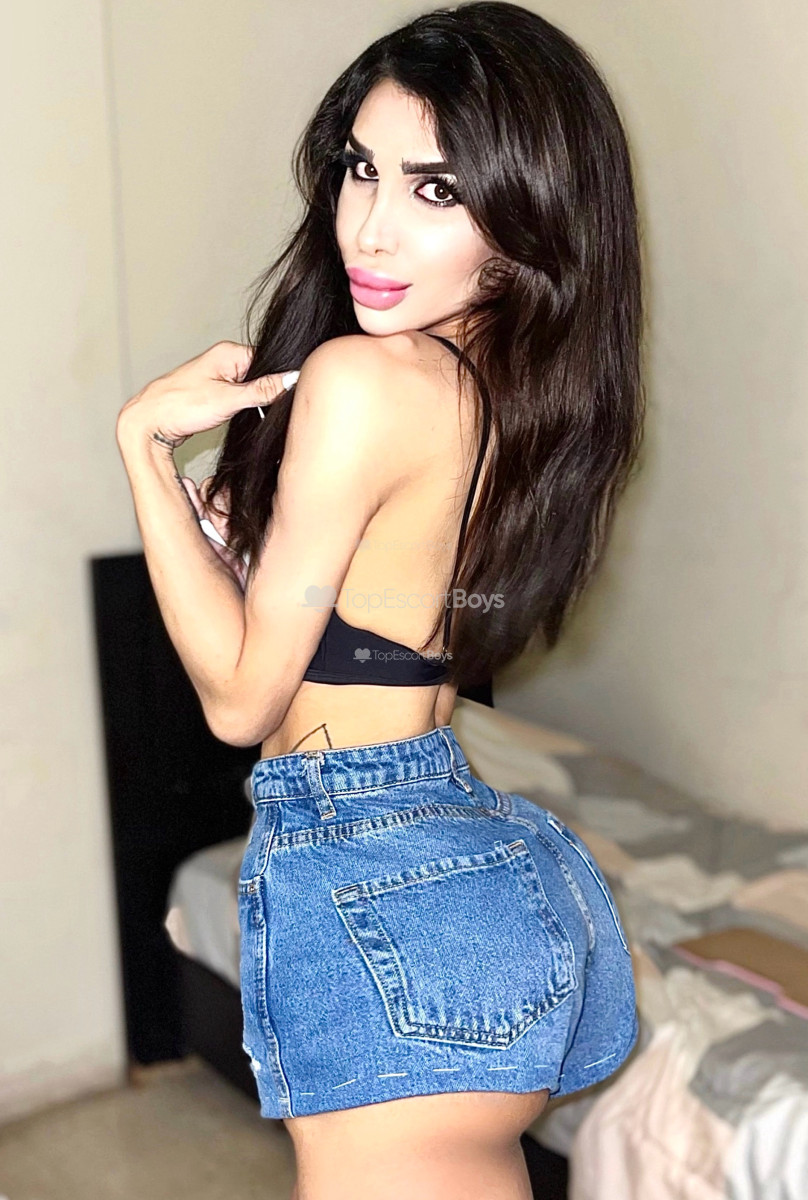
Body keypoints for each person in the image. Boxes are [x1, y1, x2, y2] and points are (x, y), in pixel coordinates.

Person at [116, 3, 644, 1196]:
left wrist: (143, 450)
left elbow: (241, 702)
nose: (370, 225)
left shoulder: (365, 380)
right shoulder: (517, 390)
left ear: (526, 215)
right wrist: (248, 559)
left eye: (435, 189)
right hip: (477, 858)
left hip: (373, 870)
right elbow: (381, 632)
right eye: (362, 169)